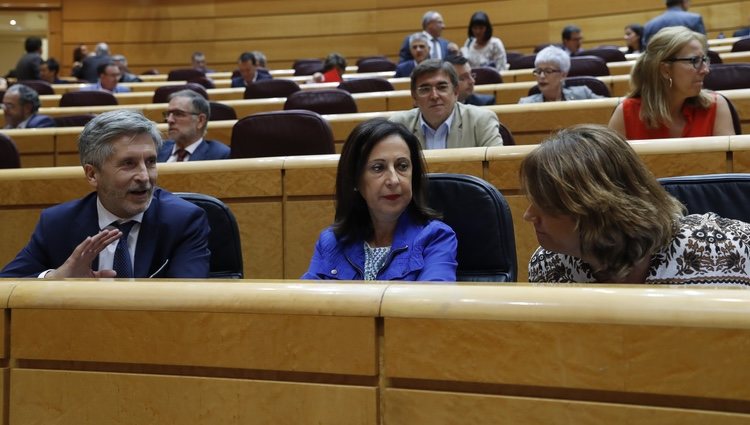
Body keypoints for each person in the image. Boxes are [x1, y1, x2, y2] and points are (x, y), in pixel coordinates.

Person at [522, 124, 750, 286]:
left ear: (597, 208)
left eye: (544, 203)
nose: (528, 215)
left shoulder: (734, 246)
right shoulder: (547, 267)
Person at [0, 109, 210, 279]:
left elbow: (188, 304)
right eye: (128, 164)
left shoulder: (184, 221)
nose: (145, 177)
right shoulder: (57, 223)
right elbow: (8, 283)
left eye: (151, 162)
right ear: (92, 175)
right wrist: (55, 278)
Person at [302, 118, 457, 281]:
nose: (394, 180)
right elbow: (305, 303)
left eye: (402, 166)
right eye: (378, 168)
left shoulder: (435, 237)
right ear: (355, 179)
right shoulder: (331, 242)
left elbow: (432, 304)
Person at [608, 26, 734, 139]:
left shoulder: (716, 106)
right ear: (665, 69)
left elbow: (731, 164)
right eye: (694, 60)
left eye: (704, 60)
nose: (706, 70)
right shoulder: (626, 114)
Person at [390, 59, 503, 149]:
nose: (434, 96)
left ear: (455, 91)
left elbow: (497, 170)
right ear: (414, 97)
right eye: (425, 89)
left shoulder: (481, 121)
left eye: (442, 87)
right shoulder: (398, 126)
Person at [157, 89, 230, 162]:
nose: (169, 120)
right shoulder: (158, 150)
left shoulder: (218, 155)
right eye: (168, 114)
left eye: (178, 114)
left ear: (200, 121)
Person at [518, 46, 604, 103]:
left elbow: (610, 106)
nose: (542, 76)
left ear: (563, 75)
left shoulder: (583, 95)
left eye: (548, 71)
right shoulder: (526, 104)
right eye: (539, 71)